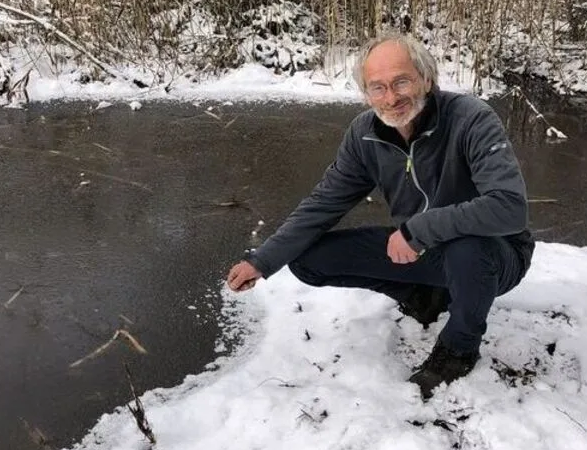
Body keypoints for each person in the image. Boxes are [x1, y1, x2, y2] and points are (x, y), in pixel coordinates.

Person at [225, 33, 534, 400]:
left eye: (402, 81)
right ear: (366, 93)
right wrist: (263, 260)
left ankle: (459, 348)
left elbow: (509, 207)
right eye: (378, 87)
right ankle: (424, 297)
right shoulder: (364, 134)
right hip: (422, 251)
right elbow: (324, 203)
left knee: (466, 249)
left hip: (495, 256)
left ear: (427, 78)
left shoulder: (470, 119)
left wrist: (418, 229)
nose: (391, 97)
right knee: (308, 259)